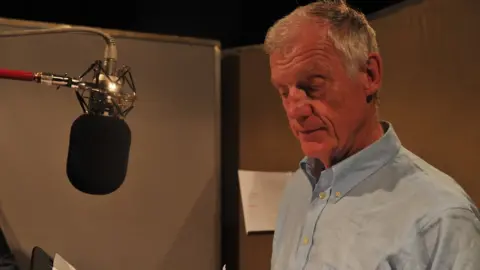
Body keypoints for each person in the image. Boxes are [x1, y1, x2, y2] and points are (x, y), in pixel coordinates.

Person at [264, 0, 480, 269]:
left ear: (370, 74)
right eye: (284, 92)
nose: (295, 110)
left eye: (313, 86)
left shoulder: (441, 217)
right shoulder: (298, 188)